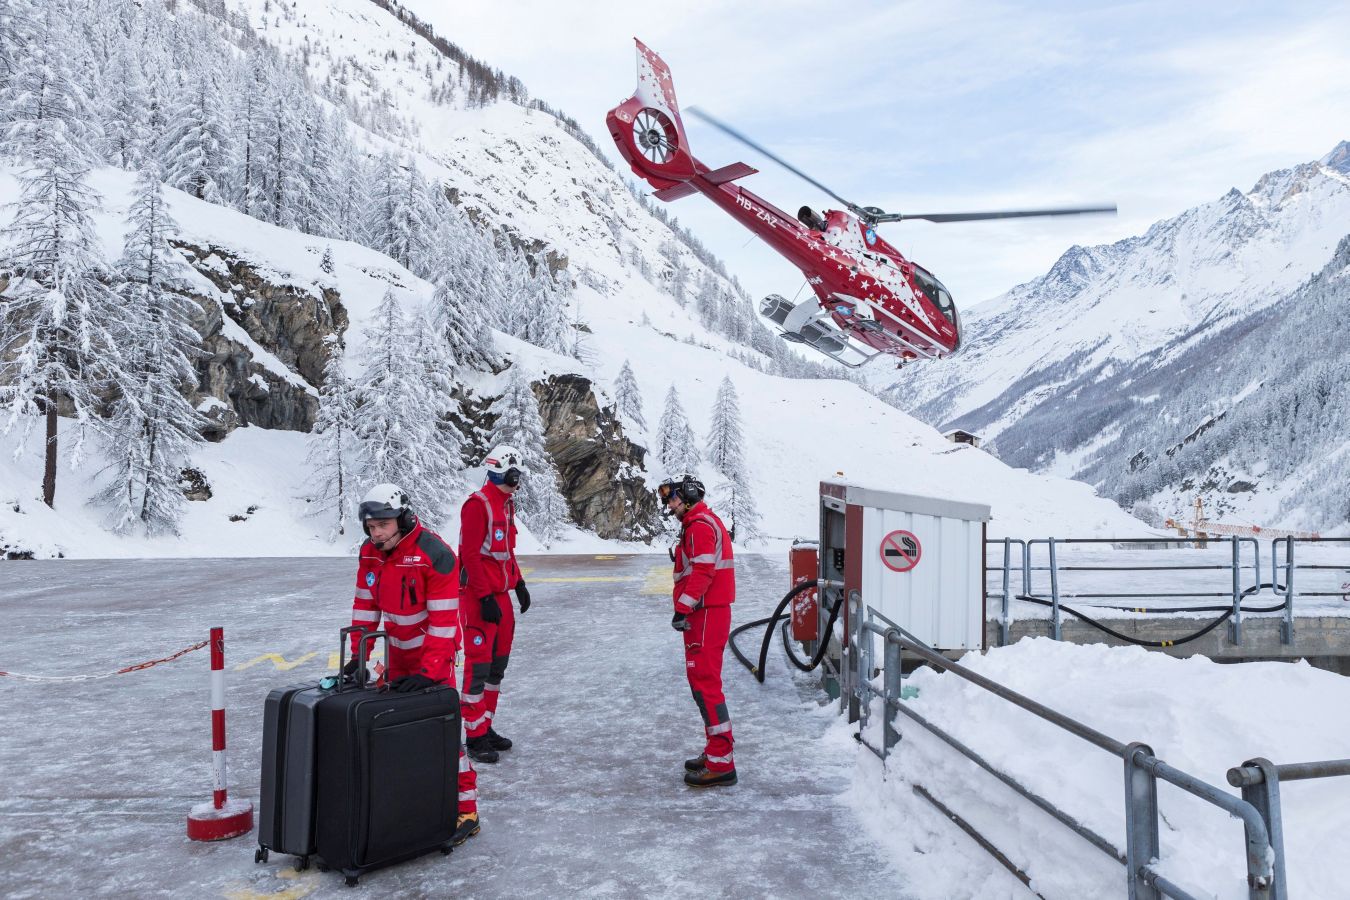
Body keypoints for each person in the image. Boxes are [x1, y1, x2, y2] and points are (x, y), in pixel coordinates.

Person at [347, 483, 481, 845]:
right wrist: (358, 655)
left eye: (383, 526)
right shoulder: (370, 553)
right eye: (371, 528)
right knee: (394, 732)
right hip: (395, 657)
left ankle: (466, 811)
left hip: (431, 658)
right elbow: (365, 606)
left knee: (445, 735)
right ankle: (410, 803)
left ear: (403, 519)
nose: (376, 534)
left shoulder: (434, 553)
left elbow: (442, 621)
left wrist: (429, 671)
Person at [659, 474, 737, 787]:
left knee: (706, 686)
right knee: (702, 685)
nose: (668, 503)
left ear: (687, 496)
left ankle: (721, 761)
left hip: (705, 615)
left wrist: (683, 607)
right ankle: (716, 751)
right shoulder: (699, 523)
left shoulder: (700, 526)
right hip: (705, 614)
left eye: (671, 497)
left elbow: (704, 571)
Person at [458, 445, 532, 764]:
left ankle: (485, 727)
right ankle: (474, 737)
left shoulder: (506, 505)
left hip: (500, 597)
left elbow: (505, 554)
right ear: (500, 471)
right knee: (479, 668)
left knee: (497, 668)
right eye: (514, 476)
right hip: (479, 599)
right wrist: (484, 596)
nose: (517, 483)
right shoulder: (478, 505)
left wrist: (519, 583)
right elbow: (470, 556)